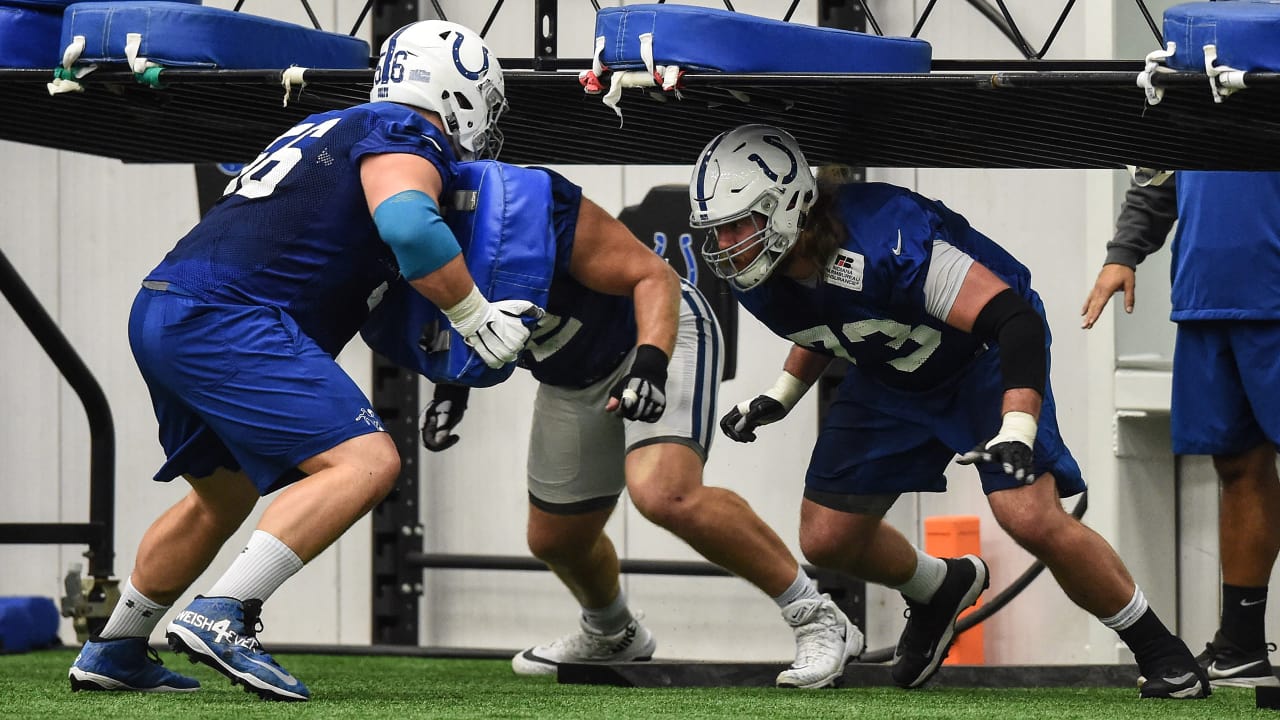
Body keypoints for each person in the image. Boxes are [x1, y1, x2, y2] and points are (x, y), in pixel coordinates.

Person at [66, 20, 529, 701]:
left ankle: (116, 647)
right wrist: (473, 314)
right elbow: (406, 223)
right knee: (369, 462)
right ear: (457, 90)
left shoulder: (330, 124)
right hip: (229, 313)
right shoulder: (405, 130)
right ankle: (224, 613)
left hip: (166, 305)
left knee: (221, 494)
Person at [686, 123, 1210, 699]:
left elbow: (1014, 321)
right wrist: (781, 394)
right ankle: (941, 586)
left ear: (787, 204)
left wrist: (1016, 424)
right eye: (719, 229)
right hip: (889, 373)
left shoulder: (883, 235)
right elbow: (825, 322)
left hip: (979, 363)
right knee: (827, 537)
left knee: (1028, 517)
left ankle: (1165, 654)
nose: (728, 243)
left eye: (738, 224)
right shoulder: (763, 275)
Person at [421, 166, 864, 688]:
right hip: (570, 370)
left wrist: (649, 365)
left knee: (663, 492)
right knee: (556, 539)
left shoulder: (526, 205)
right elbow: (460, 313)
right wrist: (453, 387)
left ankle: (817, 616)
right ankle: (613, 632)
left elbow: (651, 275)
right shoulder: (412, 247)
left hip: (653, 331)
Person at [1082, 170, 1280, 688]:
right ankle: (1241, 647)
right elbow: (1161, 171)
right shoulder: (1184, 87)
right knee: (1237, 461)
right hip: (1206, 293)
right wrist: (1123, 251)